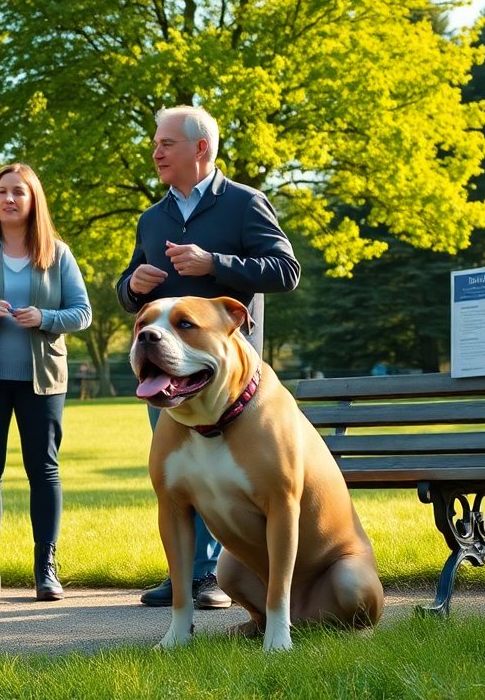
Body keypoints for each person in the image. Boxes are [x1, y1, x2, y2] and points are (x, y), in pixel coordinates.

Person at [116, 105, 300, 609]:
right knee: (184, 477)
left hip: (230, 381)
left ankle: (216, 575)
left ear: (200, 149)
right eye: (155, 143)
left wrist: (214, 263)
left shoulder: (245, 203)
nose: (155, 152)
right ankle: (187, 577)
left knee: (229, 477)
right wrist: (131, 285)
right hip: (167, 375)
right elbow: (128, 290)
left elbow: (285, 270)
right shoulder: (152, 218)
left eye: (165, 143)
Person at [0, 163, 91, 602]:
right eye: (2, 192)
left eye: (18, 193)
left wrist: (44, 318)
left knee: (43, 471)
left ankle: (46, 567)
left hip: (42, 380)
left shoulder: (57, 254)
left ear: (32, 201)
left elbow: (82, 313)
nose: (9, 199)